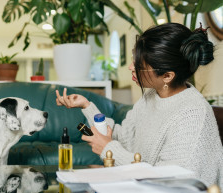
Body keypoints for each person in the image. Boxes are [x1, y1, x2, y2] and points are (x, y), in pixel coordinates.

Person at [55, 23, 223, 188]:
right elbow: (123, 138)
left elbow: (170, 182)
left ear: (167, 76)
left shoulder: (193, 115)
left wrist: (109, 150)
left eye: (139, 65)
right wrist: (87, 106)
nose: (130, 67)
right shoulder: (150, 96)